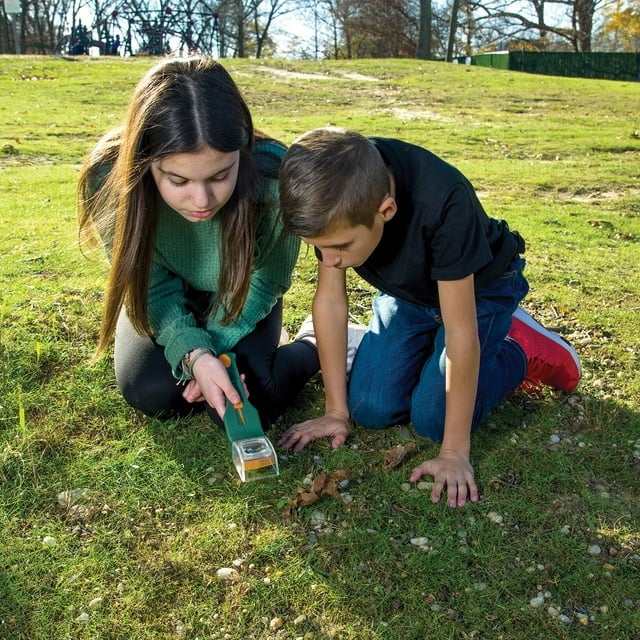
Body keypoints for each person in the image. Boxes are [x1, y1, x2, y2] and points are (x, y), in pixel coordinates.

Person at [277, 126, 581, 508]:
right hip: (409, 293)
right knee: (370, 408)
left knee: (433, 419)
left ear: (385, 210)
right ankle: (418, 353)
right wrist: (335, 411)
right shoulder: (334, 191)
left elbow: (459, 330)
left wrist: (454, 452)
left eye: (339, 247)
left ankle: (519, 349)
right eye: (318, 249)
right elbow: (330, 300)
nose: (330, 260)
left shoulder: (444, 201)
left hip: (478, 292)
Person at [77, 57, 320, 428]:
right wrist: (195, 355)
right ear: (146, 162)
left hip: (243, 292)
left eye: (221, 175)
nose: (203, 201)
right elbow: (149, 287)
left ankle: (312, 342)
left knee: (255, 396)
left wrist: (212, 350)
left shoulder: (274, 176)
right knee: (151, 390)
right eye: (178, 181)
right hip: (161, 294)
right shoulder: (110, 179)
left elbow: (264, 280)